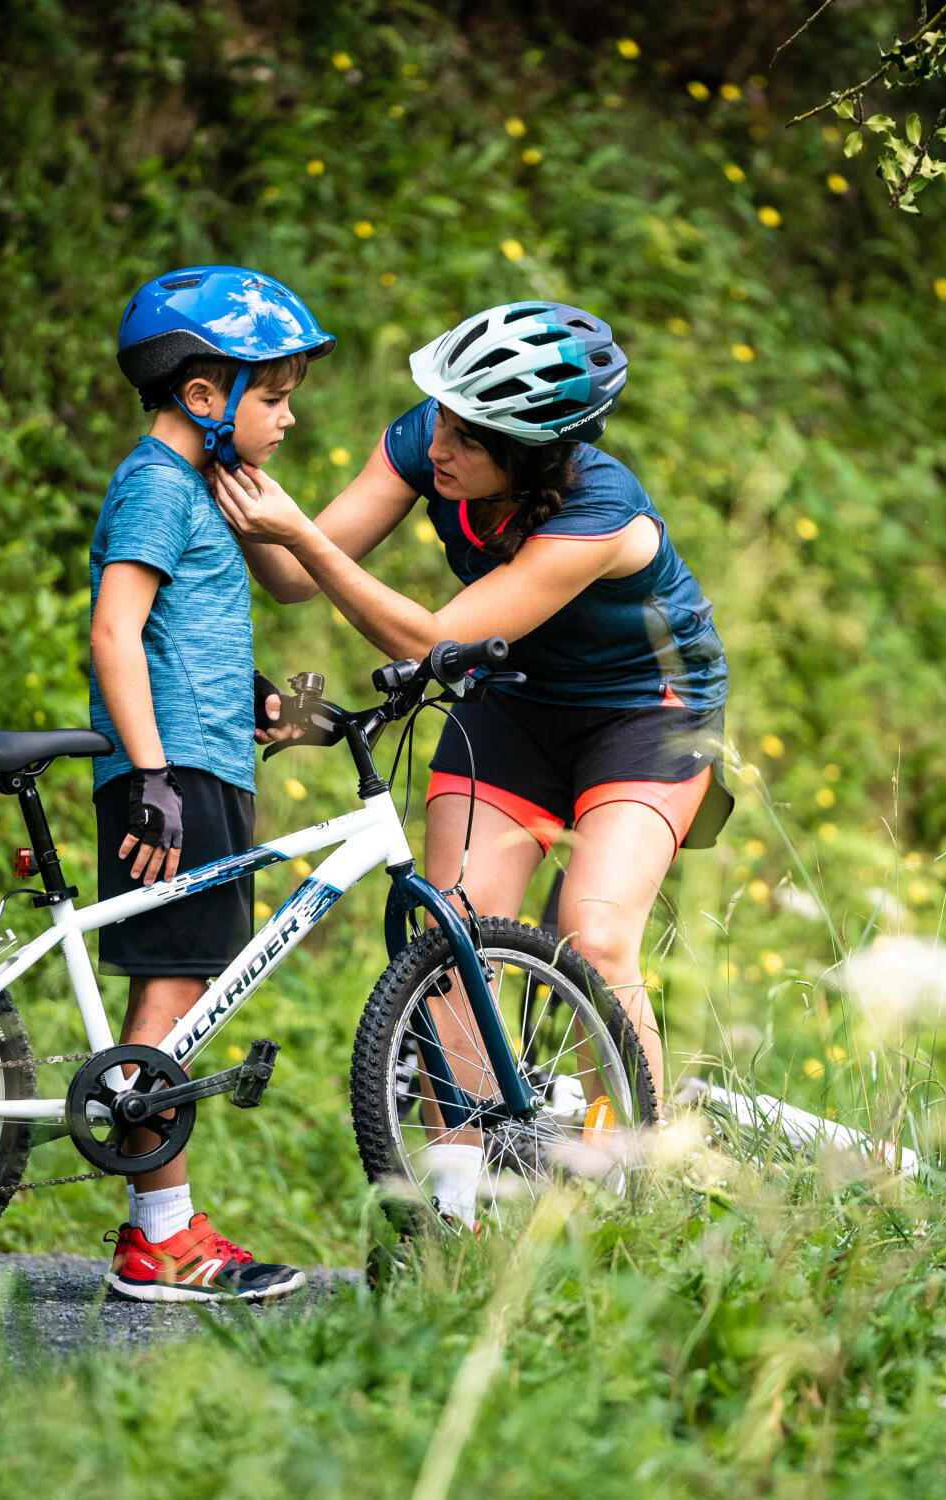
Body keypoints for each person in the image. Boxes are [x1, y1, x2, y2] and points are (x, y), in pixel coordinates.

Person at [211, 300, 731, 1226]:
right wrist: (214, 454)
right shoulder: (429, 439)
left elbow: (434, 635)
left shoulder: (601, 514)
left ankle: (625, 1176)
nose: (438, 444)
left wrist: (299, 533)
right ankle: (461, 1208)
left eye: (468, 437)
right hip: (511, 700)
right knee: (453, 936)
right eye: (441, 419)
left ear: (530, 458)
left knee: (594, 934)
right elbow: (292, 577)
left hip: (645, 713)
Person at [89, 264, 332, 1299]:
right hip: (173, 777)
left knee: (184, 992)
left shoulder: (192, 489)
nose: (286, 417)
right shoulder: (153, 483)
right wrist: (152, 777)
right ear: (204, 396)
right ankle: (161, 1237)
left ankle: (166, 1224)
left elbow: (187, 636)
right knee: (174, 992)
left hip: (202, 763)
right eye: (272, 396)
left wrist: (261, 701)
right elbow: (116, 629)